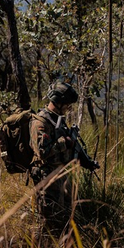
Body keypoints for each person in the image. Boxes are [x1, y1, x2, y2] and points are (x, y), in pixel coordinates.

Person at [29, 81, 99, 239]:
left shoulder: (58, 121)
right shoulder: (40, 122)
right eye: (67, 104)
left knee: (65, 219)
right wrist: (63, 143)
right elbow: (42, 152)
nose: (69, 108)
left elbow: (72, 147)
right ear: (58, 102)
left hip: (62, 179)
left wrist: (87, 162)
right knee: (48, 221)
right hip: (46, 180)